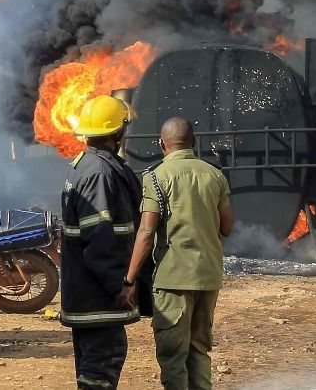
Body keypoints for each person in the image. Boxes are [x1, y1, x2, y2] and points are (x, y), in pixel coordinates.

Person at [123, 117, 233, 390]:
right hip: (208, 276)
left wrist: (130, 278)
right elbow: (228, 227)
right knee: (199, 349)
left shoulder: (156, 177)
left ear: (161, 144)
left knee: (173, 355)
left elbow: (146, 233)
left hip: (173, 279)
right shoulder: (215, 175)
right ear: (193, 142)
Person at [60, 95, 142, 389]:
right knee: (101, 369)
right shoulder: (100, 174)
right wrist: (121, 283)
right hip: (98, 296)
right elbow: (101, 238)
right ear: (117, 133)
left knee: (91, 371)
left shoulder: (85, 166)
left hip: (84, 292)